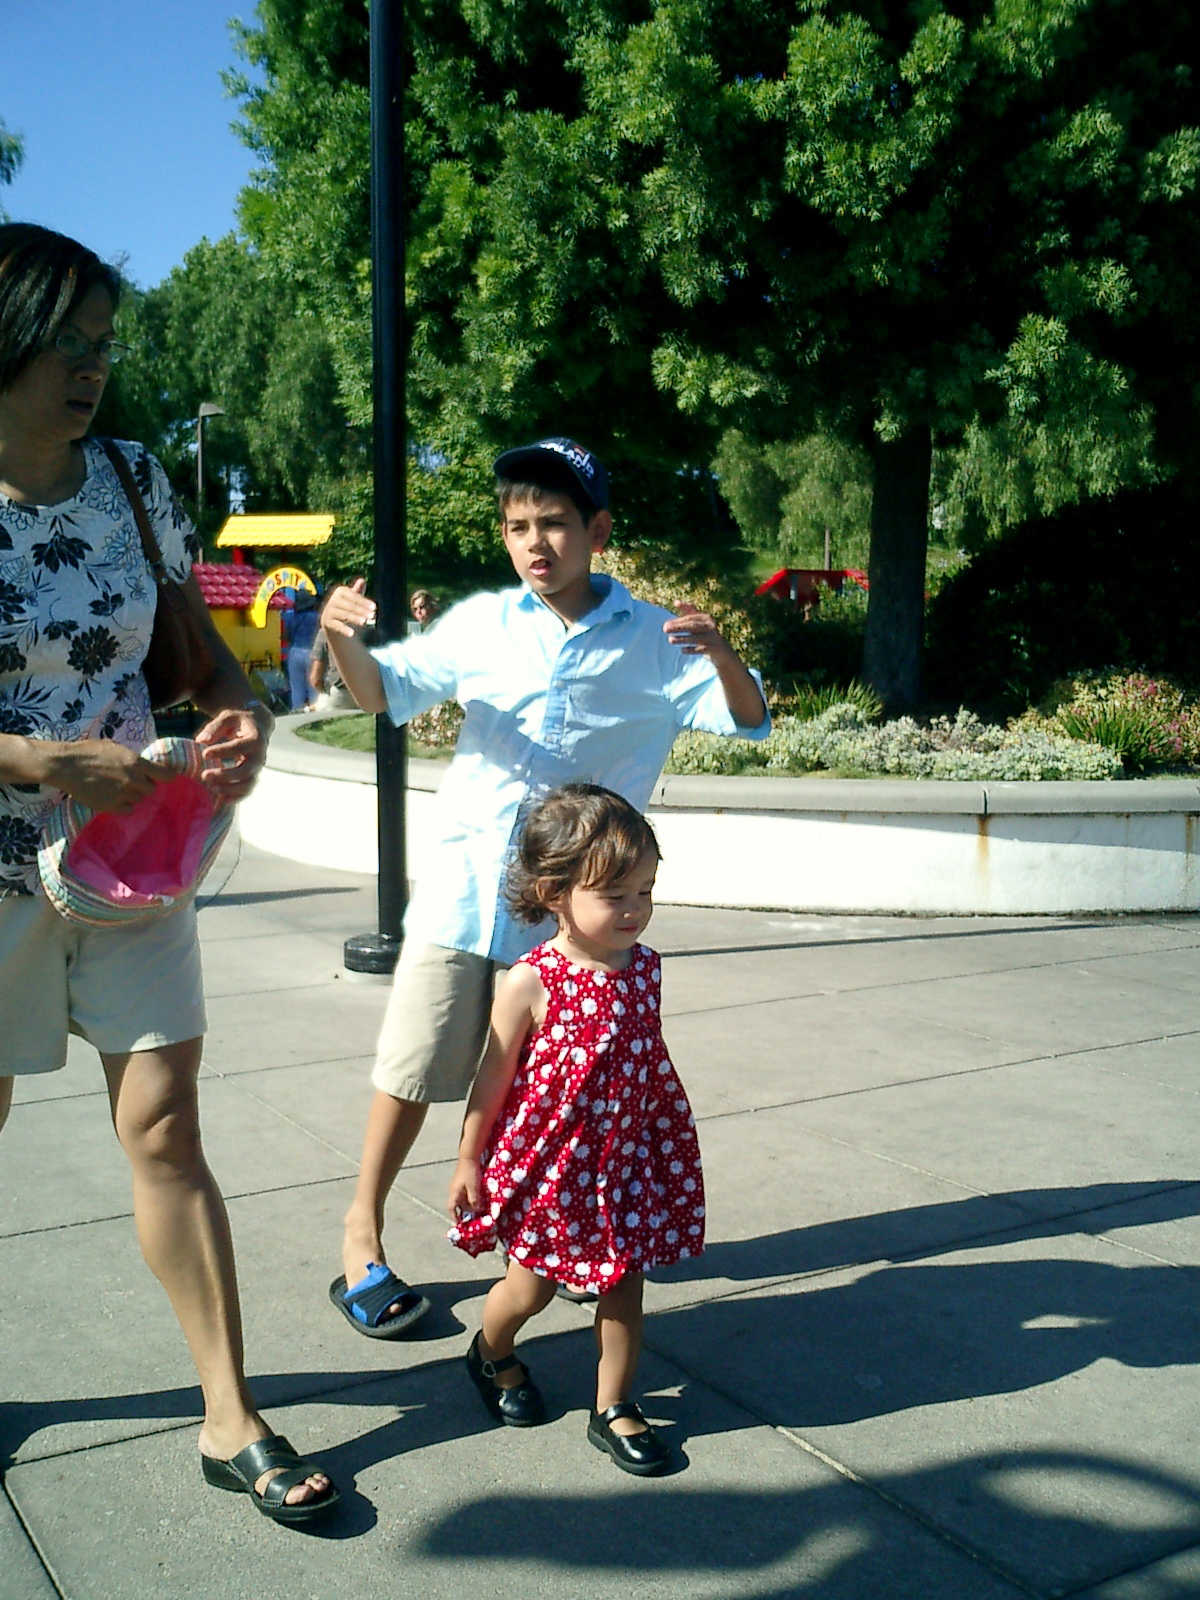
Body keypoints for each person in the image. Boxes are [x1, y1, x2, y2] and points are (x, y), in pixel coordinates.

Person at [0, 223, 337, 1524]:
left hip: (130, 858)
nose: (91, 368)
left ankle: (228, 1413)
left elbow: (192, 648)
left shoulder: (133, 477)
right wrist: (35, 759)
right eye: (65, 342)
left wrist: (240, 713)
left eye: (102, 344)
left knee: (166, 1128)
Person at [321, 434, 767, 1338]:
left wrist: (722, 655)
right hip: (463, 888)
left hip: (568, 921)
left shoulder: (652, 640)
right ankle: (361, 1235)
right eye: (519, 526)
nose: (536, 543)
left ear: (597, 531)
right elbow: (382, 693)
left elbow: (747, 719)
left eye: (556, 524)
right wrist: (339, 639)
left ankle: (531, 1237)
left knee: (543, 1091)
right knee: (414, 1066)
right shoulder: (484, 623)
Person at [448, 784, 701, 1475]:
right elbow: (493, 1077)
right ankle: (491, 1351)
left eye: (645, 892)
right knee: (528, 1290)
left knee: (624, 1285)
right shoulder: (532, 981)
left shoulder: (645, 968)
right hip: (554, 1168)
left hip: (625, 1161)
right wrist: (469, 1157)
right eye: (615, 896)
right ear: (554, 893)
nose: (635, 910)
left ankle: (614, 1405)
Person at [285, 589, 320, 711]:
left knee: (296, 687)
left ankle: (297, 712)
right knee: (313, 687)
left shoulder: (291, 617)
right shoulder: (317, 617)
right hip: (312, 651)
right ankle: (314, 713)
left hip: (295, 651)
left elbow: (286, 636)